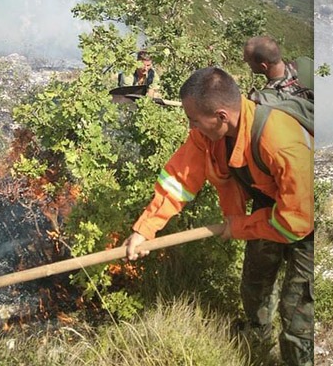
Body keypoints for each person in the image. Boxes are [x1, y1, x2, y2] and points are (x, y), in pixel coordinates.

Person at [123, 67, 314, 366]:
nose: (192, 126)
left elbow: (296, 223)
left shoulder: (281, 143)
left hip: (306, 218)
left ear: (221, 116)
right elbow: (180, 178)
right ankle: (256, 345)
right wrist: (145, 230)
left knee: (298, 313)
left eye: (195, 120)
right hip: (269, 207)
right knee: (254, 285)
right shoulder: (209, 136)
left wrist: (240, 226)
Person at [243, 36, 314, 101]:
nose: (244, 60)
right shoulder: (306, 62)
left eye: (248, 61)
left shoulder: (266, 99)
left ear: (263, 66)